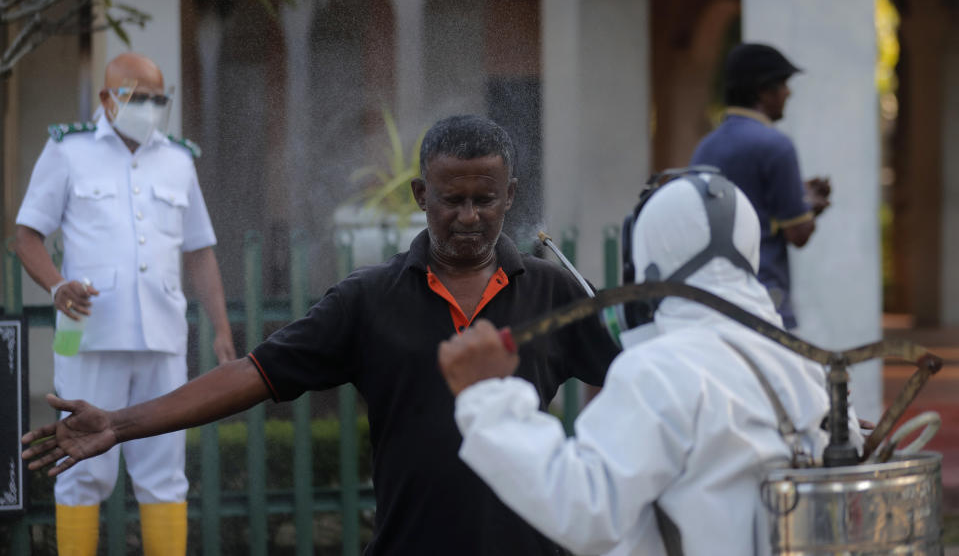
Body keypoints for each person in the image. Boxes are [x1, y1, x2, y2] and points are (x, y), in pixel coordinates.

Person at [22, 114, 621, 555]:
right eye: (452, 199)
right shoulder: (369, 299)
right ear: (420, 196)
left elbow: (622, 383)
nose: (469, 216)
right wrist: (118, 424)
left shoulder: (555, 292)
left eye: (486, 200)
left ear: (510, 196)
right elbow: (253, 374)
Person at [437, 170, 862, 555]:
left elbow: (584, 509)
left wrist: (487, 397)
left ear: (647, 257)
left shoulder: (660, 371)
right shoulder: (806, 366)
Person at [14, 52, 235, 556]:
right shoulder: (68, 151)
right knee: (81, 468)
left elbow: (199, 251)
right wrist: (55, 285)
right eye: (140, 98)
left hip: (162, 336)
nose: (152, 107)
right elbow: (27, 236)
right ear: (107, 99)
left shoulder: (178, 159)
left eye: (160, 99)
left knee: (164, 470)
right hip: (86, 331)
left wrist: (220, 327)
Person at [691, 42, 830, 329]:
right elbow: (798, 233)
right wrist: (811, 207)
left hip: (711, 298)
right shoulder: (776, 145)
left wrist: (797, 193)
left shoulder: (706, 148)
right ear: (762, 90)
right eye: (782, 84)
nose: (788, 92)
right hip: (763, 298)